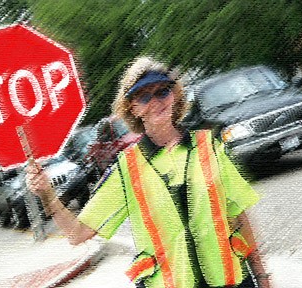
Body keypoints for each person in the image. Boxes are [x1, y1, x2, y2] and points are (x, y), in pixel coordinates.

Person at [26, 56, 271, 288]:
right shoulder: (127, 169)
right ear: (133, 108)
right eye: (144, 97)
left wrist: (261, 276)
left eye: (162, 91)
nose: (156, 101)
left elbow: (239, 216)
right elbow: (77, 234)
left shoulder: (209, 147)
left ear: (174, 96)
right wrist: (47, 195)